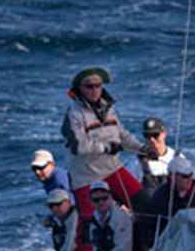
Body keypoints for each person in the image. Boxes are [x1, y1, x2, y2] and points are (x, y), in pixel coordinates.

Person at [60, 66, 147, 219]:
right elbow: (78, 146)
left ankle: (147, 240)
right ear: (79, 89)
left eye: (98, 85)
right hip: (85, 176)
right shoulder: (74, 113)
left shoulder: (109, 108)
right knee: (88, 222)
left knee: (144, 203)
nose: (94, 90)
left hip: (112, 169)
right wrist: (106, 147)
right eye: (89, 86)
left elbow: (121, 135)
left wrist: (143, 149)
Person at [137, 154, 195, 251]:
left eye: (191, 176)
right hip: (171, 247)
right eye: (185, 176)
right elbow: (147, 225)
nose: (189, 180)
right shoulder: (161, 196)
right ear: (172, 177)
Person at [126, 116, 174, 200]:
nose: (151, 139)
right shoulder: (137, 162)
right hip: (147, 211)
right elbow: (126, 189)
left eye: (155, 135)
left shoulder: (176, 158)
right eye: (147, 136)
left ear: (164, 133)